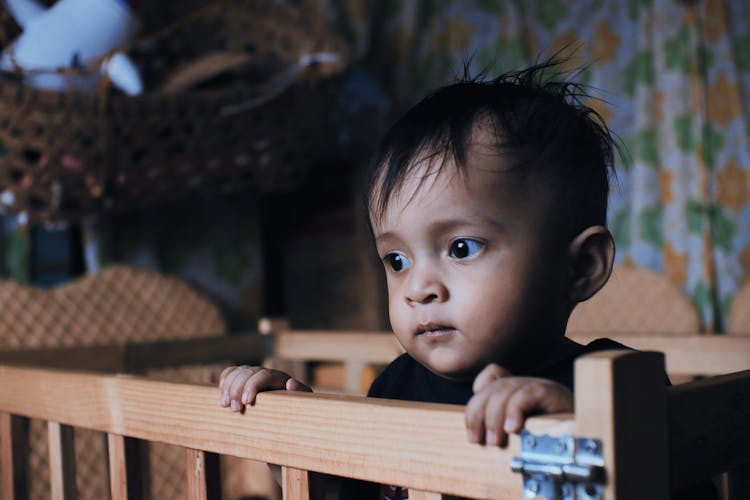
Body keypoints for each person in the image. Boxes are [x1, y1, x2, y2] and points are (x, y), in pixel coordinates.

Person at [219, 60, 716, 500]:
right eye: (396, 260)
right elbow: (355, 493)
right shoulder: (396, 386)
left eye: (461, 248)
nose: (419, 288)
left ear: (580, 268)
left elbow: (688, 485)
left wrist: (579, 437)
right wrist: (293, 438)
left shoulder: (615, 384)